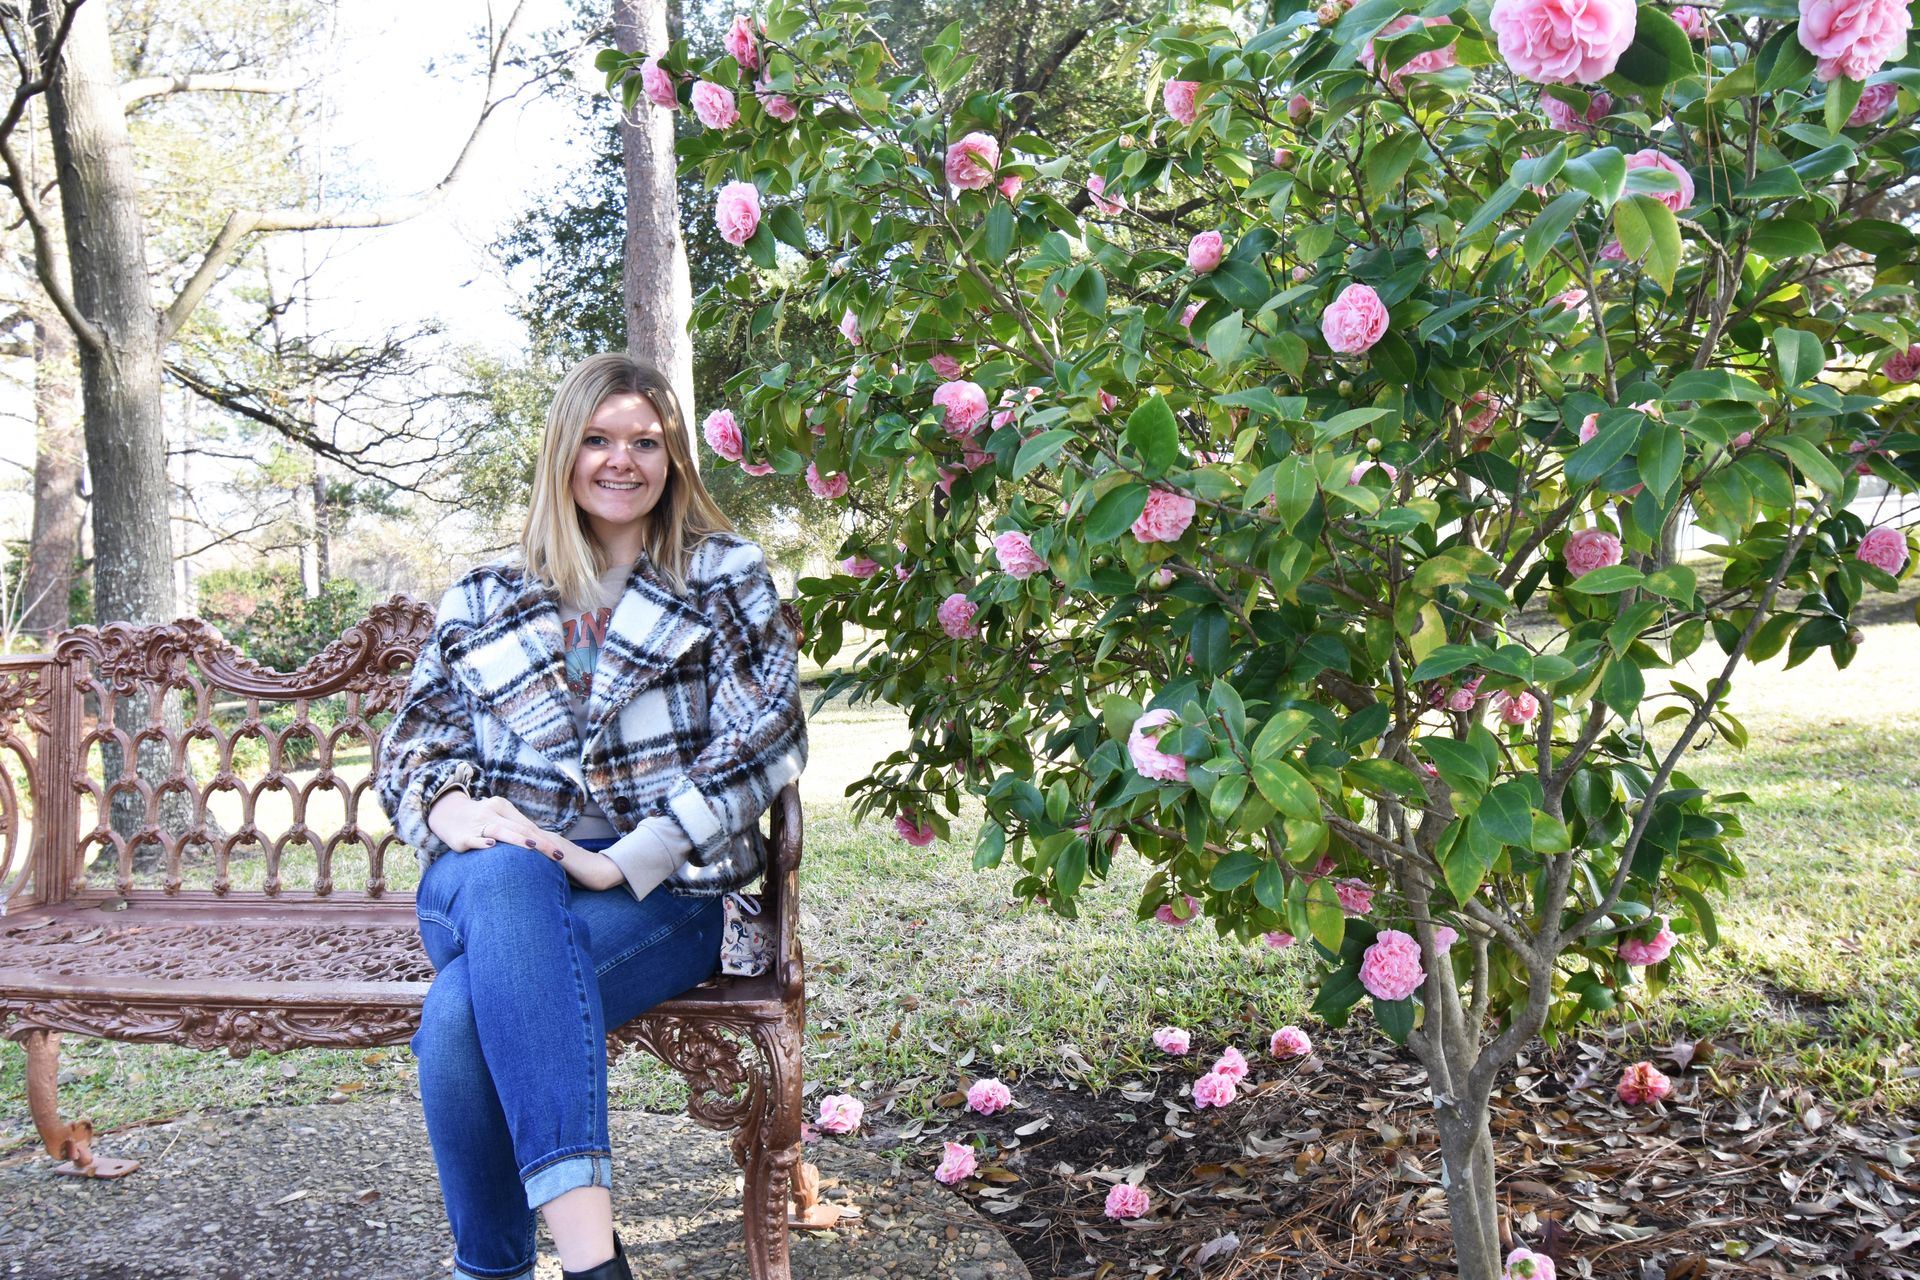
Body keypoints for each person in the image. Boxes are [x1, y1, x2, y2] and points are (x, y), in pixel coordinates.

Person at [377, 354, 806, 1280]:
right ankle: (591, 1264)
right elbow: (413, 741)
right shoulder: (486, 593)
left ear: (674, 457)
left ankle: (489, 1269)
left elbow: (767, 735)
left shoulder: (720, 576)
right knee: (505, 871)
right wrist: (452, 810)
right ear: (562, 452)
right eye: (599, 439)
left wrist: (629, 857)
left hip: (658, 888)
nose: (623, 461)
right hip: (487, 868)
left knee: (459, 1013)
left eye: (646, 442)